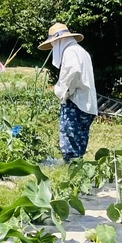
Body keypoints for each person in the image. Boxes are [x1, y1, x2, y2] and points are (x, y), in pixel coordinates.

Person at [39, 22, 98, 162]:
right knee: (80, 138)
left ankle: (72, 169)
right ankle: (79, 167)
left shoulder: (70, 52)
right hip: (87, 103)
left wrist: (65, 91)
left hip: (75, 101)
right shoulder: (81, 51)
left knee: (69, 135)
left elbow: (74, 70)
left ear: (58, 40)